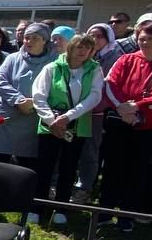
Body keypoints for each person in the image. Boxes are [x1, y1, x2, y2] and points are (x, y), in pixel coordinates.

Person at [99, 21, 152, 231]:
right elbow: (110, 83)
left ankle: (127, 216)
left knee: (137, 171)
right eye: (141, 38)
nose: (145, 42)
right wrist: (123, 108)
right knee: (112, 168)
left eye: (151, 38)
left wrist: (137, 107)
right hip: (120, 121)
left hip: (149, 127)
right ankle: (104, 212)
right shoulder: (126, 59)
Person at [32, 34, 102, 226]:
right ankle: (37, 207)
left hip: (77, 126)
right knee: (45, 168)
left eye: (87, 48)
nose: (83, 51)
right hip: (50, 126)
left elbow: (94, 96)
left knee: (69, 169)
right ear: (71, 47)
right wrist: (51, 119)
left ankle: (61, 208)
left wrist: (69, 116)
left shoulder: (94, 69)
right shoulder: (52, 68)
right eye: (79, 47)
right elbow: (39, 95)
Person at [0, 23, 53, 166]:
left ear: (44, 41)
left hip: (35, 118)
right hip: (9, 116)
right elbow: (1, 82)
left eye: (34, 38)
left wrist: (34, 102)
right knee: (0, 163)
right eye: (27, 38)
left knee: (26, 165)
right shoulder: (12, 58)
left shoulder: (54, 61)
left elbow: (56, 88)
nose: (29, 41)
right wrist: (19, 100)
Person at [74, 22, 123, 200]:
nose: (95, 39)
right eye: (91, 35)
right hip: (73, 110)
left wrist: (93, 105)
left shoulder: (114, 58)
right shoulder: (79, 56)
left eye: (99, 36)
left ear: (108, 39)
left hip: (94, 112)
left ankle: (84, 187)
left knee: (90, 150)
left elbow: (110, 88)